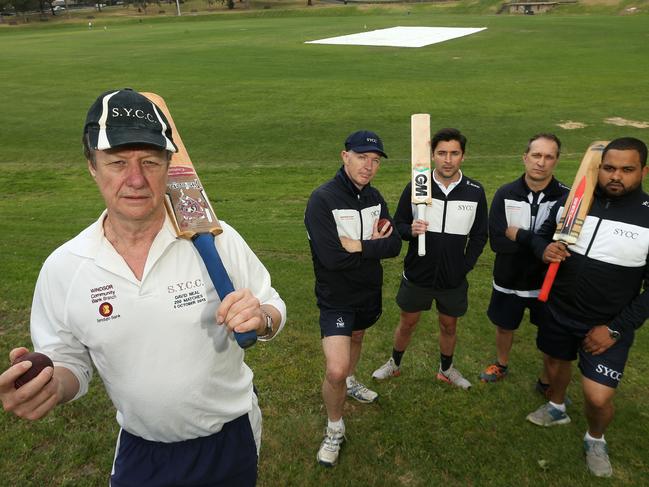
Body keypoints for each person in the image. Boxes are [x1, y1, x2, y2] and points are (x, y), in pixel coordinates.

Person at [0, 89, 286, 486]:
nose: (135, 180)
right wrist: (51, 387)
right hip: (142, 449)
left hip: (229, 438)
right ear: (91, 166)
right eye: (117, 163)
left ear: (170, 165)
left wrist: (262, 318)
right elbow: (71, 364)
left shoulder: (216, 240)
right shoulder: (65, 267)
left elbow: (272, 305)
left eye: (150, 162)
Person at [521, 137, 649, 477]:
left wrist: (615, 329)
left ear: (643, 171)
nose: (615, 176)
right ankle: (557, 406)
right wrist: (544, 250)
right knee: (554, 363)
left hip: (607, 326)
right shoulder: (578, 199)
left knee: (597, 398)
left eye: (626, 169)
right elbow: (542, 237)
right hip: (560, 310)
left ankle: (595, 437)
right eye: (609, 168)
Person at [304, 130, 401, 467]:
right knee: (334, 368)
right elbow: (331, 258)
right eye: (362, 157)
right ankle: (335, 428)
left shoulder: (374, 197)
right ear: (344, 156)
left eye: (375, 160)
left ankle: (351, 381)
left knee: (357, 337)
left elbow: (394, 244)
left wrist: (360, 245)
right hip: (337, 298)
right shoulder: (322, 199)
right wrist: (375, 248)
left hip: (368, 293)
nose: (369, 166)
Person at [372, 128, 487, 390]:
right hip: (418, 272)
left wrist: (465, 265)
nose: (448, 159)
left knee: (449, 325)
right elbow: (398, 223)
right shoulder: (417, 186)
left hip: (452, 277)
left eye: (454, 153)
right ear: (433, 156)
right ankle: (395, 363)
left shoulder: (474, 191)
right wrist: (410, 230)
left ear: (463, 156)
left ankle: (446, 369)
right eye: (442, 153)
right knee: (408, 322)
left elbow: (480, 235)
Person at [479, 134, 569, 390]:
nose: (541, 162)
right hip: (509, 277)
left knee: (549, 332)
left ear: (556, 160)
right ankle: (501, 364)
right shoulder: (505, 193)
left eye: (548, 157)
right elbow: (497, 242)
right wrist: (542, 249)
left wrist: (520, 236)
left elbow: (565, 245)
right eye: (536, 155)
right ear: (525, 157)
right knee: (504, 326)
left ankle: (546, 379)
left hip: (548, 282)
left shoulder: (568, 198)